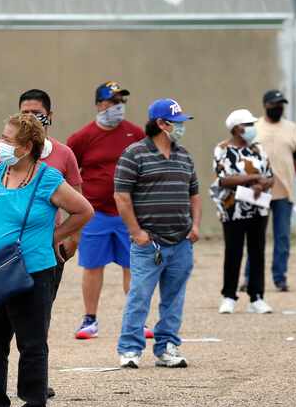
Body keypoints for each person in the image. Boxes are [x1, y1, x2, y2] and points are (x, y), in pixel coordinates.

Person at [0, 114, 93, 407]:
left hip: (32, 271)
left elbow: (84, 210)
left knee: (31, 342)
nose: (2, 144)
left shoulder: (47, 178)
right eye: (2, 137)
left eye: (9, 140)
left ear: (28, 146)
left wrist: (57, 237)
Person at [114, 99, 200, 369]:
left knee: (174, 298)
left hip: (181, 242)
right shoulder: (134, 154)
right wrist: (136, 232)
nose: (181, 126)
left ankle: (167, 347)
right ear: (161, 124)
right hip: (148, 243)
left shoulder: (184, 155)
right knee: (140, 295)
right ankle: (129, 348)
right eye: (177, 122)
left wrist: (195, 226)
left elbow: (194, 194)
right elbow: (122, 196)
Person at [67, 81, 146, 340]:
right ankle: (90, 320)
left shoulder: (136, 134)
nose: (118, 108)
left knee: (133, 266)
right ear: (99, 105)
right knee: (92, 266)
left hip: (128, 213)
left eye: (121, 102)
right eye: (113, 102)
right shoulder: (82, 138)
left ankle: (137, 320)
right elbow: (70, 173)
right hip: (95, 212)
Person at [242, 90, 296, 292]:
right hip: (258, 192)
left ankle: (279, 278)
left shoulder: (292, 128)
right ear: (265, 105)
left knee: (282, 238)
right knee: (255, 237)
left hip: (284, 192)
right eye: (274, 104)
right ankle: (249, 277)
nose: (278, 108)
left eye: (281, 104)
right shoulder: (254, 127)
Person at [211, 109, 275, 315]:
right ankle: (228, 296)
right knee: (234, 251)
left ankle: (257, 297)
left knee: (257, 252)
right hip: (232, 209)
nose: (252, 128)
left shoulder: (258, 149)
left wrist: (262, 184)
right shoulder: (222, 149)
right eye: (249, 125)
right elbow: (223, 178)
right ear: (237, 128)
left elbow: (270, 176)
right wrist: (253, 179)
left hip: (258, 206)